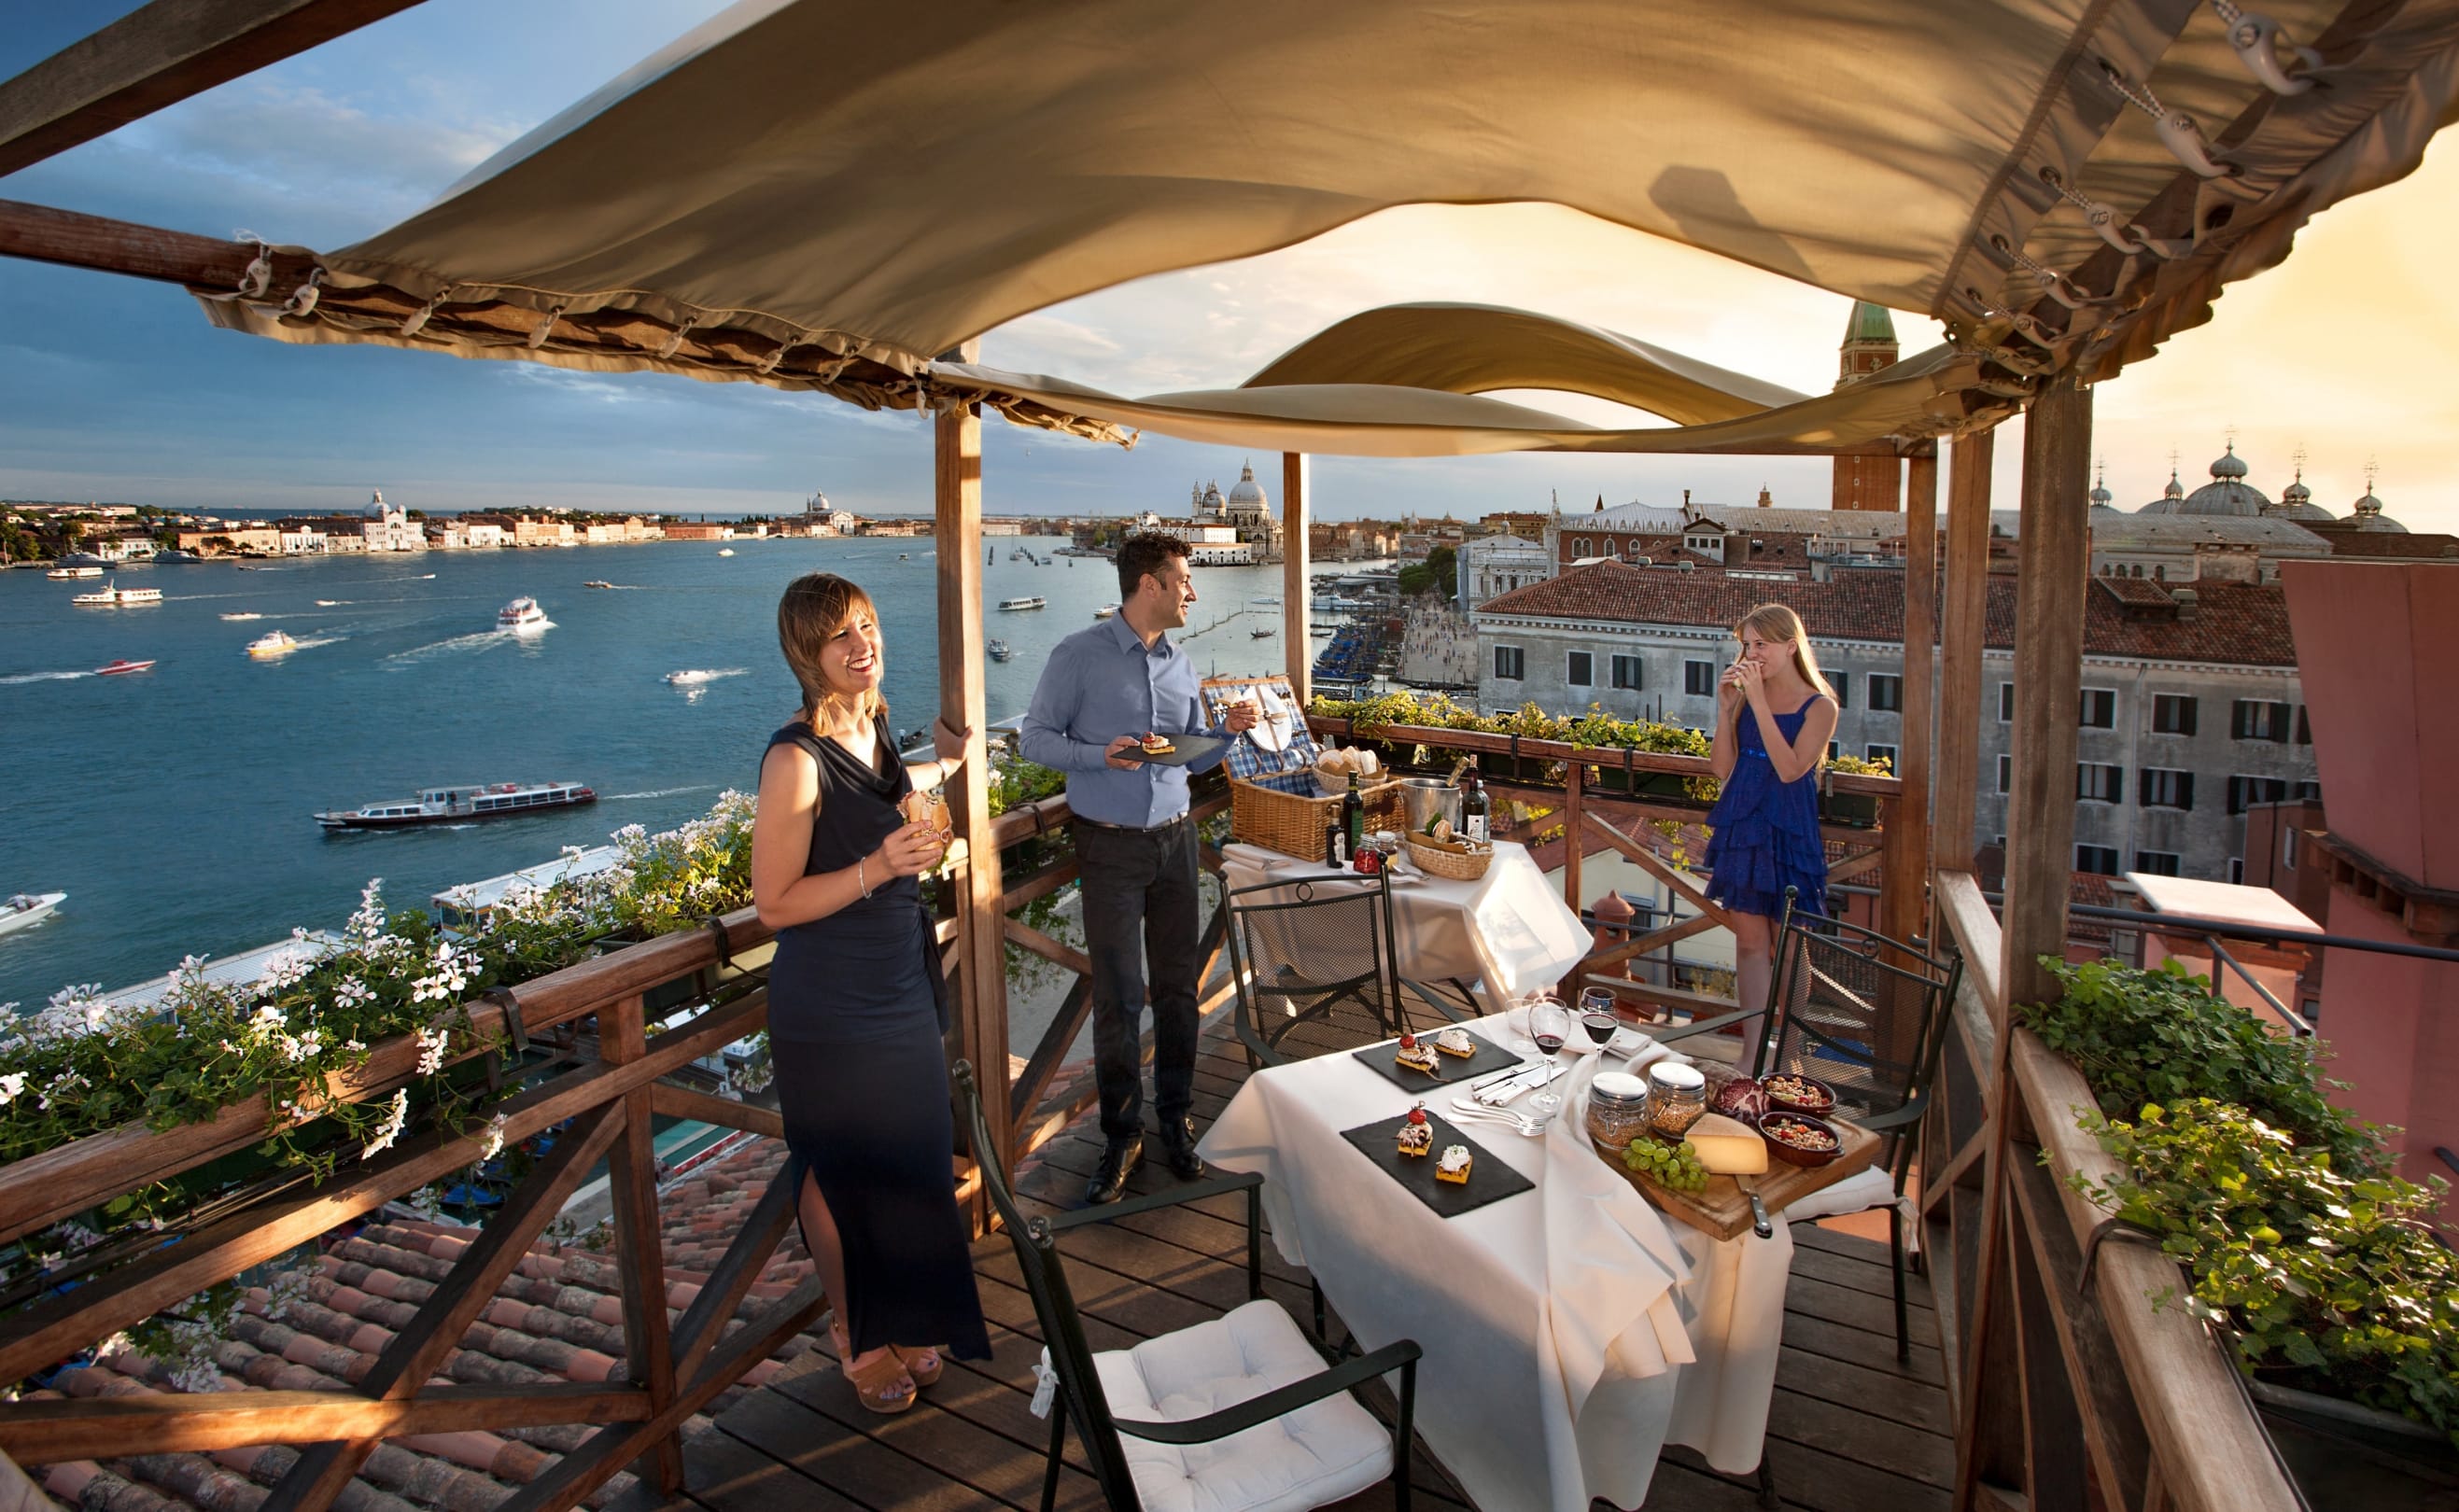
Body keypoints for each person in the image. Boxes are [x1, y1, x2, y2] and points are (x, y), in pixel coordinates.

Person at [750, 573, 991, 1415]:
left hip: (898, 978)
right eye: (839, 637)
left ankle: (908, 1315)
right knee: (840, 1171)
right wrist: (880, 866)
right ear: (806, 654)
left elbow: (879, 788)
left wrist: (944, 765)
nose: (863, 646)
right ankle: (857, 1332)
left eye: (867, 626)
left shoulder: (875, 724)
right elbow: (773, 904)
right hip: (831, 999)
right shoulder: (792, 758)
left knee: (910, 1160)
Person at [1019, 533, 1257, 1204]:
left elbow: (1191, 755)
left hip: (1177, 841)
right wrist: (1101, 755)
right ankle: (1121, 1137)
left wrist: (1227, 733)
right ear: (1149, 585)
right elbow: (1035, 738)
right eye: (1184, 580)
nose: (1193, 592)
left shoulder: (1181, 664)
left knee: (1178, 991)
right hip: (1110, 849)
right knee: (1120, 999)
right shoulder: (1078, 655)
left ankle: (1175, 1119)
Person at [1702, 602, 1838, 1037]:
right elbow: (1722, 768)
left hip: (1789, 829)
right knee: (1750, 944)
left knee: (1790, 947)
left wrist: (1757, 701)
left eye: (1761, 644)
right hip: (1746, 827)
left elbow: (1791, 769)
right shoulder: (1745, 701)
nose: (1752, 654)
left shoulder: (1820, 707)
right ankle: (1752, 1053)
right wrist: (1726, 710)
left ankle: (1790, 1053)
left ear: (1791, 646)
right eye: (1747, 645)